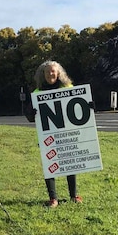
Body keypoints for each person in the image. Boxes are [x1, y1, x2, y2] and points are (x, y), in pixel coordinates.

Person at [34, 60, 81, 207]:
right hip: (48, 135)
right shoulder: (38, 92)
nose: (50, 74)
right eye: (47, 72)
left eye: (53, 71)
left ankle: (73, 195)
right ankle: (53, 198)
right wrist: (30, 112)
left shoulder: (68, 88)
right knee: (50, 165)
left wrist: (88, 106)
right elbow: (32, 116)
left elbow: (78, 107)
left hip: (66, 133)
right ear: (43, 75)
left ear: (59, 73)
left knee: (70, 165)